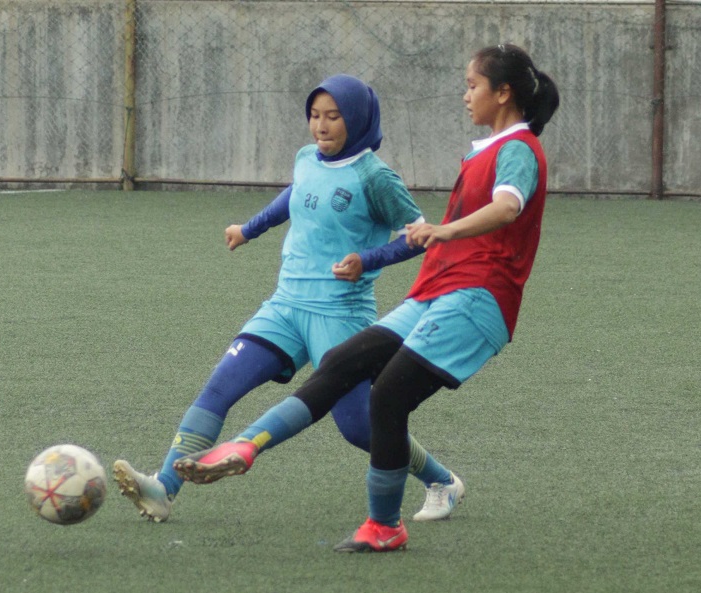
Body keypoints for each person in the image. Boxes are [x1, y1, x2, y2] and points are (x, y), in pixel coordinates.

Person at [174, 44, 560, 553]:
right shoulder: (484, 147)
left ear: (503, 92)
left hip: (478, 298)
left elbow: (507, 207)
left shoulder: (518, 147)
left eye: (472, 85)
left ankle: (384, 526)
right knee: (340, 364)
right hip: (435, 291)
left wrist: (441, 231)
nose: (465, 94)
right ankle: (248, 445)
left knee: (387, 397)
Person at [113, 74, 464, 523]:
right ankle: (163, 487)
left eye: (333, 117)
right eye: (315, 116)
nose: (321, 126)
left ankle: (440, 480)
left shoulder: (375, 177)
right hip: (284, 305)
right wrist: (248, 228)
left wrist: (367, 259)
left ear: (356, 120)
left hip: (340, 315)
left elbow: (419, 237)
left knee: (359, 427)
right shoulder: (306, 159)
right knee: (220, 388)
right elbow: (293, 197)